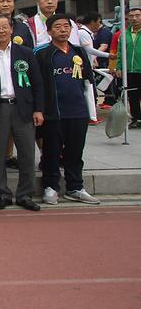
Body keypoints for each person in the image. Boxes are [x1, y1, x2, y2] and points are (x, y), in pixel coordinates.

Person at [36, 14, 99, 205]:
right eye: (58, 27)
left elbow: (88, 81)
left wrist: (92, 108)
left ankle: (75, 187)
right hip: (54, 113)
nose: (63, 30)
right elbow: (38, 85)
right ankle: (51, 186)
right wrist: (39, 110)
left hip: (78, 112)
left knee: (75, 152)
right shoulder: (42, 54)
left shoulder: (78, 52)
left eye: (66, 26)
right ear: (49, 31)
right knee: (51, 152)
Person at [0, 15, 44, 212]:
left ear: (12, 30)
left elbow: (37, 83)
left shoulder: (25, 53)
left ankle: (25, 194)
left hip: (23, 108)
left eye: (5, 27)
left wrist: (38, 109)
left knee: (27, 153)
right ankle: (1, 193)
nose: (1, 31)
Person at [117, 7, 141, 127]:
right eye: (131, 16)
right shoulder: (124, 34)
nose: (134, 18)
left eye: (137, 15)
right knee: (132, 96)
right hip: (129, 70)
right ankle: (136, 118)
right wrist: (119, 67)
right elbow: (120, 52)